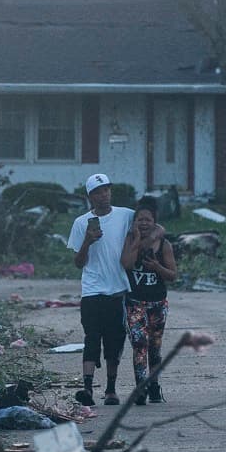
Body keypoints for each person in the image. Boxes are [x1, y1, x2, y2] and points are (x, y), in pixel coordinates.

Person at [67, 173, 133, 406]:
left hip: (117, 289)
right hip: (92, 289)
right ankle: (87, 388)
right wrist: (87, 240)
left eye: (106, 190)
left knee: (115, 340)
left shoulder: (126, 215)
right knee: (92, 338)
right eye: (97, 192)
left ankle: (111, 389)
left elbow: (150, 225)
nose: (103, 195)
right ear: (90, 197)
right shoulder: (80, 223)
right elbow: (78, 262)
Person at [120, 196, 177, 404]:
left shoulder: (164, 244)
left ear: (154, 222)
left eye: (147, 220)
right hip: (135, 303)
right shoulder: (128, 240)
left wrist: (157, 268)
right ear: (134, 222)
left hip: (157, 304)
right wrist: (136, 242)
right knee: (138, 344)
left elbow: (172, 275)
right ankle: (141, 388)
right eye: (140, 220)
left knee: (154, 348)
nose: (143, 223)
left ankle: (154, 385)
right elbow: (126, 264)